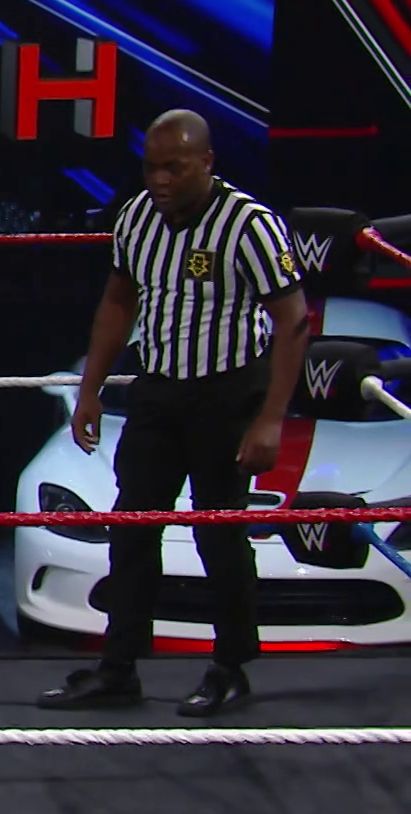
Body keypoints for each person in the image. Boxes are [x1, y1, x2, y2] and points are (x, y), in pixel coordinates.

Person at [39, 109, 308, 717]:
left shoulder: (249, 225)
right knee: (132, 526)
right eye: (152, 167)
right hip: (159, 389)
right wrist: (90, 389)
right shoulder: (137, 218)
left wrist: (271, 418)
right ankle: (119, 667)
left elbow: (294, 320)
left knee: (219, 533)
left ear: (206, 163)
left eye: (175, 168)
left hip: (228, 393)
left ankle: (230, 666)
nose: (160, 179)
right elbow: (118, 301)